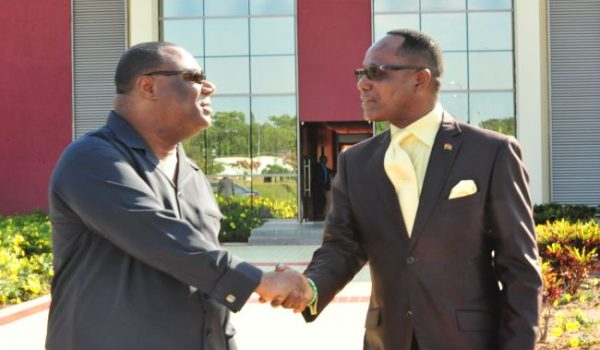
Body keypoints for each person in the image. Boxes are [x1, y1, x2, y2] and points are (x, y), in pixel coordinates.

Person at [283, 29, 543, 349]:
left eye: (375, 72)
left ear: (420, 79)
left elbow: (520, 270)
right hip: (387, 340)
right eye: (360, 73)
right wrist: (310, 287)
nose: (362, 83)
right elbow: (342, 247)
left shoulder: (491, 153)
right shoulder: (356, 163)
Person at [46, 41, 308, 350]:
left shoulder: (193, 174)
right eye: (195, 78)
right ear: (148, 86)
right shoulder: (91, 159)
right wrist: (258, 281)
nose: (210, 87)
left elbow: (206, 285)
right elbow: (162, 237)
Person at [311, 154, 332, 220]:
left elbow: (328, 172)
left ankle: (320, 214)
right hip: (317, 188)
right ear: (321, 160)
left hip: (323, 187)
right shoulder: (317, 167)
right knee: (318, 201)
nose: (326, 161)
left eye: (326, 160)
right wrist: (322, 186)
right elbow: (318, 178)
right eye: (324, 159)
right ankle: (318, 215)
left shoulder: (325, 168)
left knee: (323, 200)